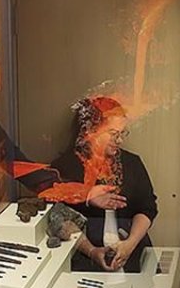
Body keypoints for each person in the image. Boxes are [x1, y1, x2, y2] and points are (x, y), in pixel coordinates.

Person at [41, 96, 157, 272]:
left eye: (122, 133)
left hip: (133, 256)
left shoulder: (132, 163)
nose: (119, 140)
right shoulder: (65, 167)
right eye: (113, 133)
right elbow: (56, 215)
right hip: (84, 259)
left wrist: (130, 243)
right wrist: (92, 251)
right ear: (91, 131)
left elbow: (147, 207)